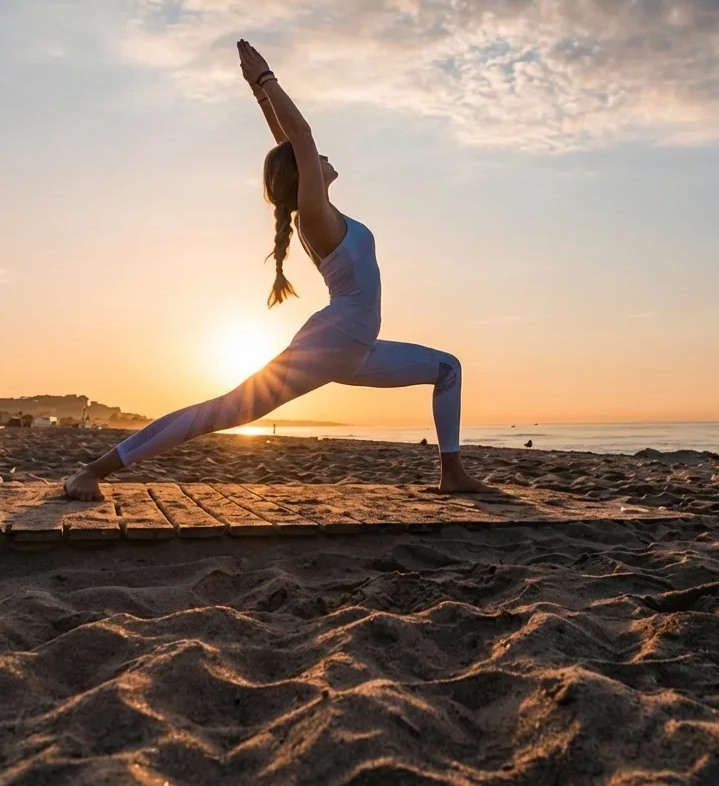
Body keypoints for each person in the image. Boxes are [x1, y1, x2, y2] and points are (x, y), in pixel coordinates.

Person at [64, 40, 487, 501]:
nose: (322, 156)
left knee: (447, 368)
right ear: (303, 175)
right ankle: (92, 471)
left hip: (357, 348)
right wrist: (268, 78)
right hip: (334, 341)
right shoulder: (316, 218)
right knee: (220, 413)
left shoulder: (324, 214)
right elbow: (300, 137)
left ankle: (452, 473)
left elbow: (290, 143)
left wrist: (259, 95)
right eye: (313, 158)